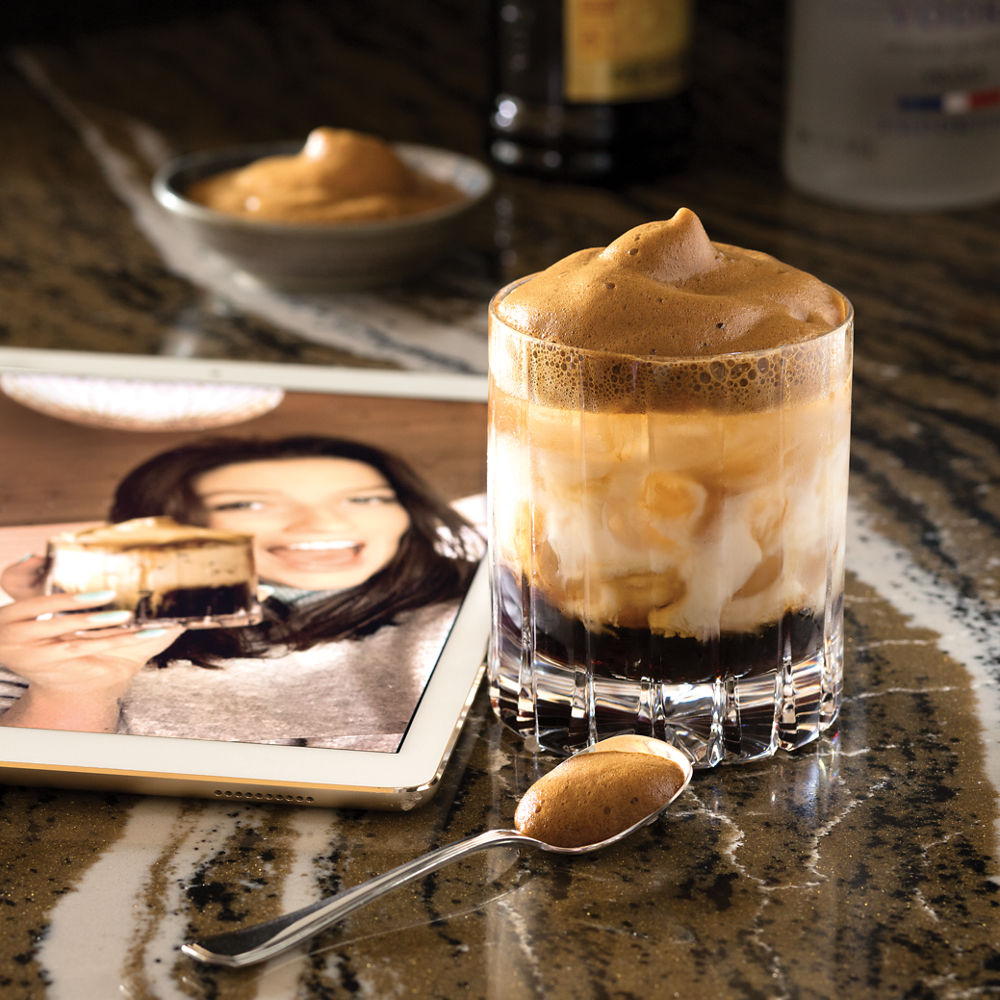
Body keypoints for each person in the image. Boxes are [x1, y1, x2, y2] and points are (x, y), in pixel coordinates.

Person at [0, 435, 482, 749]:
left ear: (406, 513)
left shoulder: (497, 609)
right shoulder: (43, 643)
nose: (323, 523)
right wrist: (73, 690)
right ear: (166, 527)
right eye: (248, 504)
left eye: (364, 498)